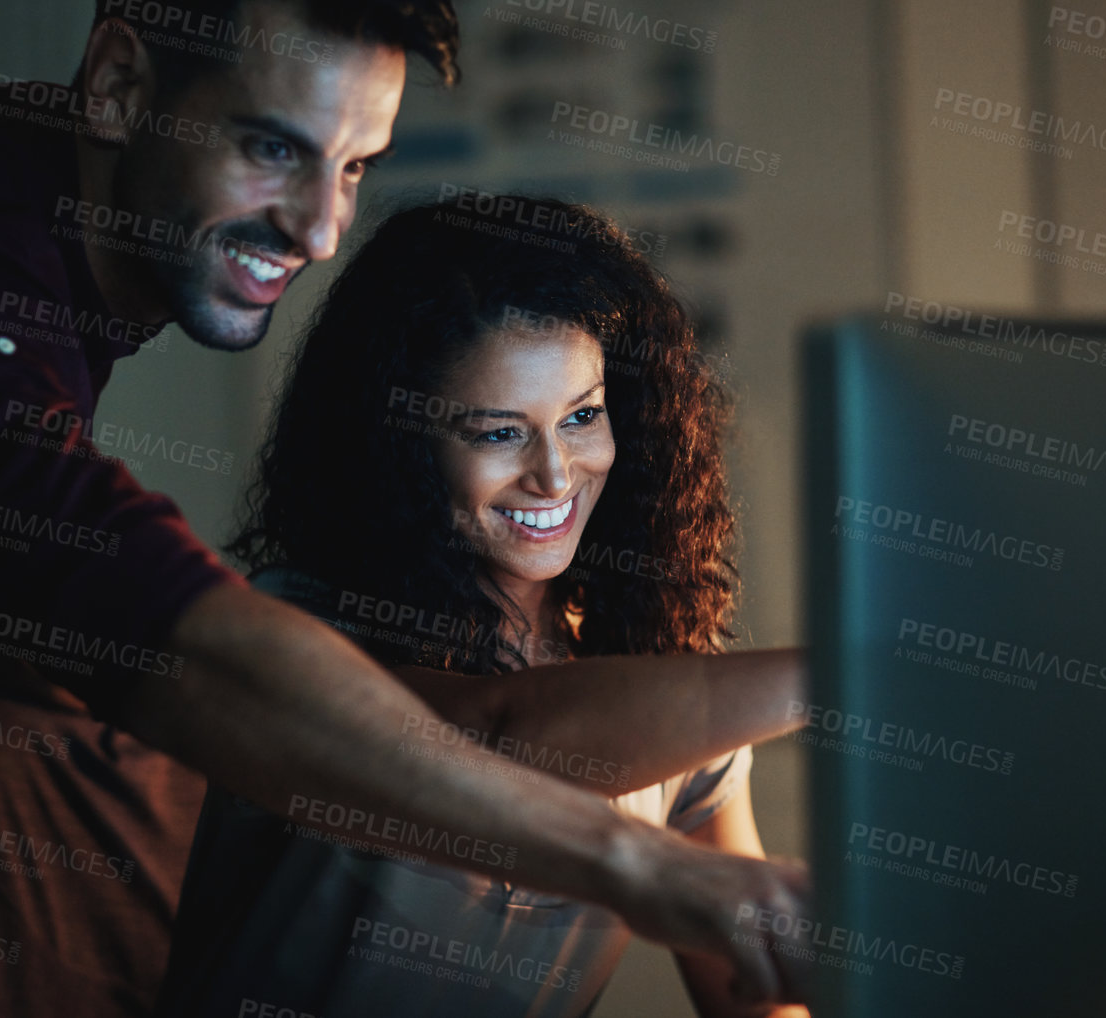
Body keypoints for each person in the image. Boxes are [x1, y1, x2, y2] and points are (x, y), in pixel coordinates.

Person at [0, 0, 809, 1013]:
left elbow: (6, 561)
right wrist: (658, 872)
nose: (319, 226)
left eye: (354, 165)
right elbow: (186, 647)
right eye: (273, 148)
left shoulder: (26, 202)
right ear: (115, 81)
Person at [155, 196, 809, 1017]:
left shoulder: (668, 681)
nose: (556, 474)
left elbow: (754, 992)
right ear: (402, 451)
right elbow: (504, 736)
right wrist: (858, 674)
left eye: (582, 417)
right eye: (498, 433)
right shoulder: (298, 627)